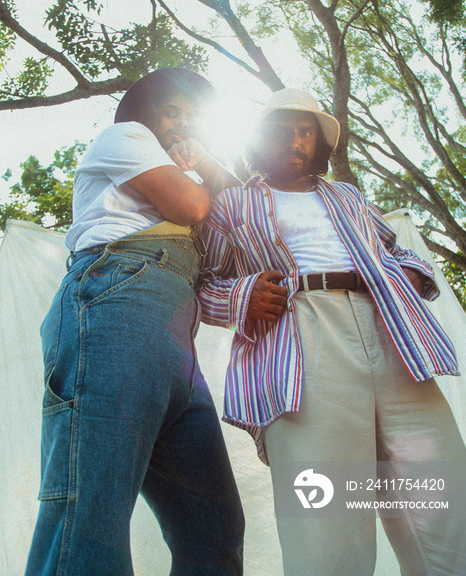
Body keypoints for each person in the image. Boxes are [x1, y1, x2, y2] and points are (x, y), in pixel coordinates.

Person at [197, 87, 466, 575]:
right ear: (259, 139)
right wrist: (244, 296)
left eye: (306, 132)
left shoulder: (347, 196)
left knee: (441, 498)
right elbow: (203, 284)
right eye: (282, 130)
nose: (296, 141)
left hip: (394, 332)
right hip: (301, 337)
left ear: (318, 143)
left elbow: (399, 251)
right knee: (326, 512)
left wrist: (405, 274)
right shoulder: (231, 204)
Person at [25, 67, 244, 576]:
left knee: (214, 529)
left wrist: (205, 156)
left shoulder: (190, 164)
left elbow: (238, 202)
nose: (182, 125)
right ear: (145, 116)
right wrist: (197, 167)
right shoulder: (125, 137)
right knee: (90, 512)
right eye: (173, 112)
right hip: (115, 300)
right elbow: (190, 204)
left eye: (192, 118)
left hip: (173, 332)